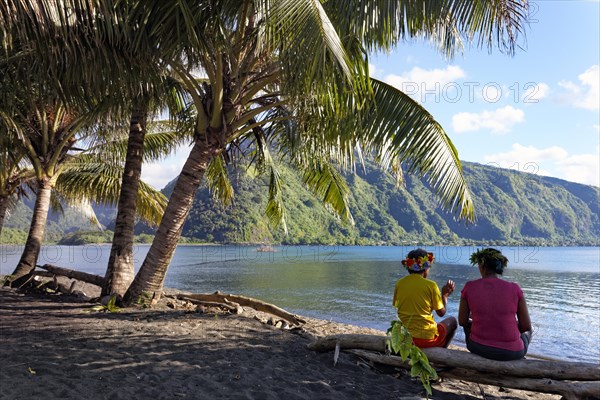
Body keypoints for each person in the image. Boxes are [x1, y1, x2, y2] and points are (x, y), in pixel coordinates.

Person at [458, 248, 533, 361]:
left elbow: (462, 321)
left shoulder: (469, 287)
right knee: (530, 330)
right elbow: (526, 326)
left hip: (478, 348)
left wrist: (478, 322)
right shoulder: (515, 288)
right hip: (512, 353)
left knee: (469, 324)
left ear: (482, 265)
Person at [392, 248, 457, 348]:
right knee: (453, 321)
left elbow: (397, 307)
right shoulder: (431, 285)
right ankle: (442, 351)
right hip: (426, 339)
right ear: (426, 268)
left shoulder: (399, 283)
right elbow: (441, 313)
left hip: (404, 337)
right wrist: (444, 296)